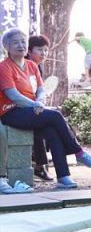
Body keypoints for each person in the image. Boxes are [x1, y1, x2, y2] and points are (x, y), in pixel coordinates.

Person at [0, 29, 91, 189]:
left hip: (31, 111)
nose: (21, 45)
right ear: (6, 47)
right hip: (11, 112)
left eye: (23, 41)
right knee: (56, 116)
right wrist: (35, 105)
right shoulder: (4, 67)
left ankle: (63, 177)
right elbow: (13, 95)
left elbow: (41, 89)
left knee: (52, 132)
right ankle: (78, 153)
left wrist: (39, 101)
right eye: (15, 42)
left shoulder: (32, 65)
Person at [26, 34, 53, 180]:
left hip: (35, 107)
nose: (43, 53)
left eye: (46, 50)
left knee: (55, 122)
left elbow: (39, 90)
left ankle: (42, 165)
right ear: (29, 51)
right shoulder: (22, 65)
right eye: (40, 50)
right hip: (21, 108)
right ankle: (40, 166)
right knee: (39, 124)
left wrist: (41, 100)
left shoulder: (38, 68)